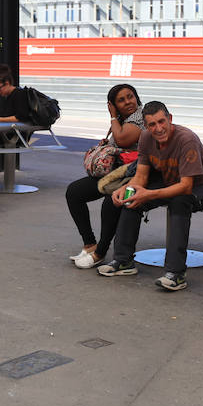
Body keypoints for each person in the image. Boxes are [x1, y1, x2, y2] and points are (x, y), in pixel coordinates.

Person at [97, 101, 203, 291]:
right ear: (146, 126)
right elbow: (140, 177)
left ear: (170, 119)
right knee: (132, 197)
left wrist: (148, 194)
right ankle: (123, 262)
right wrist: (126, 189)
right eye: (152, 125)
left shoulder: (186, 139)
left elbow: (186, 186)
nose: (158, 128)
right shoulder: (146, 138)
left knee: (179, 202)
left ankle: (176, 273)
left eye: (161, 122)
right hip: (172, 182)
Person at [66, 84, 144, 269]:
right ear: (114, 105)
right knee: (74, 193)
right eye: (121, 100)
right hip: (116, 173)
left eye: (130, 96)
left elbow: (124, 139)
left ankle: (100, 252)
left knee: (111, 201)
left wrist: (112, 117)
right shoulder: (121, 120)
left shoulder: (140, 116)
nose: (128, 102)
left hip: (136, 174)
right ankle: (89, 244)